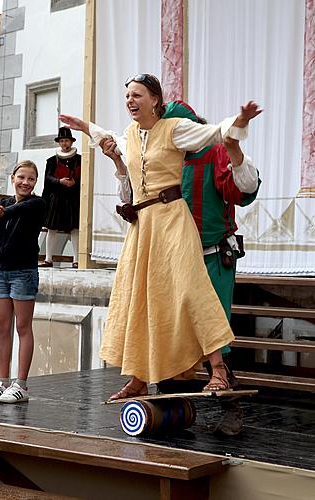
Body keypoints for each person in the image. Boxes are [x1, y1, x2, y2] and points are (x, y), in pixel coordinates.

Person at [59, 73, 262, 401]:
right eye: (128, 96)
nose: (130, 101)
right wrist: (86, 127)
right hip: (146, 228)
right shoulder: (134, 136)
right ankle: (140, 377)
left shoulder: (185, 136)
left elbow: (220, 142)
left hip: (188, 233)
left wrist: (237, 125)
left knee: (196, 295)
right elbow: (113, 141)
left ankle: (220, 373)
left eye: (137, 95)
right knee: (139, 298)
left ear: (156, 100)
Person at [101, 100, 261, 433]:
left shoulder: (209, 152)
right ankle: (173, 404)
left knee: (211, 326)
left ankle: (230, 407)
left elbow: (243, 191)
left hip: (210, 255)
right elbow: (133, 196)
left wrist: (233, 149)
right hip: (165, 258)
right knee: (165, 327)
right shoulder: (151, 152)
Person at [0, 160, 45, 403]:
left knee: (23, 327)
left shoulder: (37, 203)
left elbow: (19, 210)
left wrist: (3, 213)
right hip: (0, 272)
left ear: (35, 182)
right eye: (21, 177)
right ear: (13, 178)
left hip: (24, 273)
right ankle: (2, 382)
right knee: (0, 325)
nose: (25, 182)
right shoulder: (4, 203)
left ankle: (21, 385)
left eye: (30, 179)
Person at [39, 127, 81, 268]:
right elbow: (48, 178)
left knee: (75, 228)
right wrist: (59, 181)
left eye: (66, 140)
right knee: (52, 228)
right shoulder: (52, 160)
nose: (64, 143)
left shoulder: (80, 159)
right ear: (59, 142)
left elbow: (83, 177)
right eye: (62, 141)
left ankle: (77, 260)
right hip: (57, 199)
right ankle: (48, 259)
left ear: (71, 141)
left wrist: (75, 182)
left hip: (72, 198)